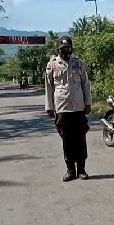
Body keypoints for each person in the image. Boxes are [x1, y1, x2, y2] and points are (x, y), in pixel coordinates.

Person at [45, 36, 92, 182]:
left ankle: (82, 169)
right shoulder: (52, 65)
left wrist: (88, 102)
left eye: (68, 48)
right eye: (63, 48)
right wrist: (50, 106)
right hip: (62, 107)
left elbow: (85, 83)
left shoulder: (78, 63)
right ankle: (70, 170)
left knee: (80, 138)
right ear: (58, 49)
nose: (66, 51)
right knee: (67, 139)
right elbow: (48, 87)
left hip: (78, 107)